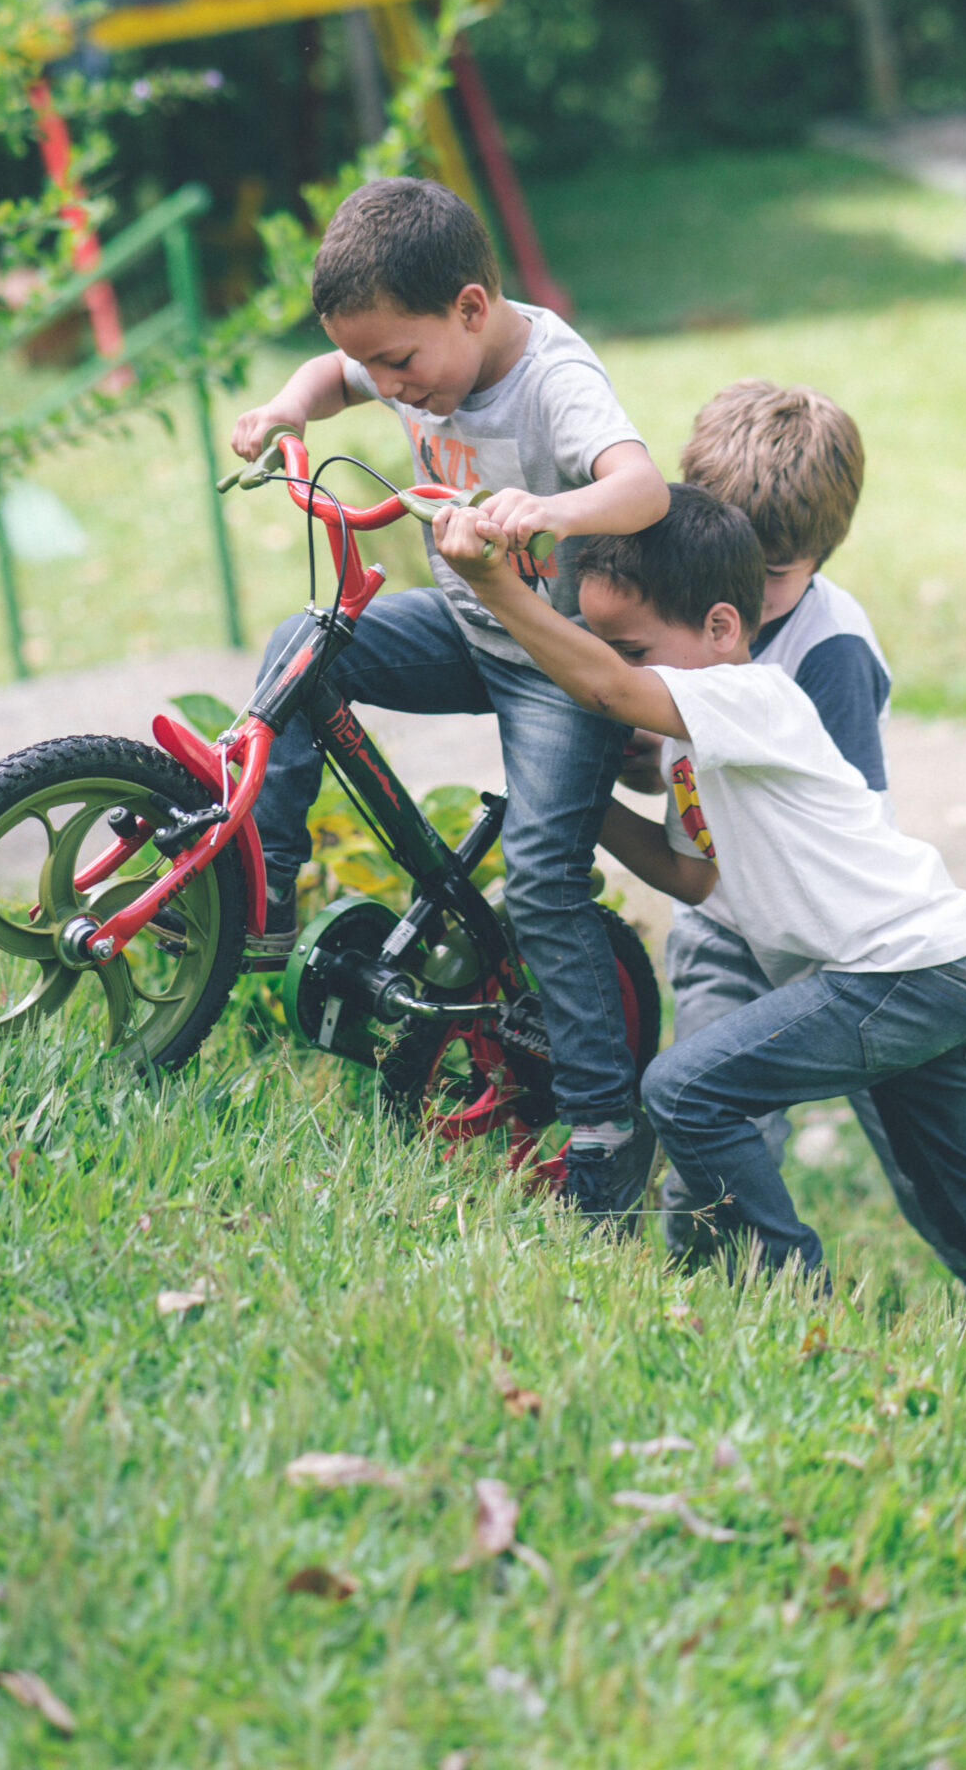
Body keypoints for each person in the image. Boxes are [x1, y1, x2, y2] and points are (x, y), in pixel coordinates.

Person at [431, 484, 966, 1347]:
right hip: (946, 965)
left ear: (722, 628)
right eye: (607, 643)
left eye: (633, 647)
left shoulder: (751, 698)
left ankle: (800, 1305)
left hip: (902, 970)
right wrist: (579, 803)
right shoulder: (698, 740)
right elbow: (698, 880)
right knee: (962, 1195)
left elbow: (607, 692)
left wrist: (499, 590)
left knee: (684, 1091)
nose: (614, 663)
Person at [230, 176, 671, 1223]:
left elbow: (642, 486)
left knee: (548, 877)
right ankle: (263, 892)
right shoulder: (403, 345)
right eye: (372, 361)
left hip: (557, 662)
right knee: (305, 646)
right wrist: (290, 407)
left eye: (400, 362)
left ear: (471, 308)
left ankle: (607, 1124)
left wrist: (549, 508)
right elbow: (330, 373)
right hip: (464, 631)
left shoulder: (552, 377)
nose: (386, 383)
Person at [647, 379, 966, 1269]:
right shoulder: (683, 603)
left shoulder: (830, 649)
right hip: (723, 928)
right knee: (706, 1126)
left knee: (935, 1171)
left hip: (846, 955)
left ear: (822, 551)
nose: (738, 590)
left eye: (769, 574)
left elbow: (839, 817)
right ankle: (698, 1300)